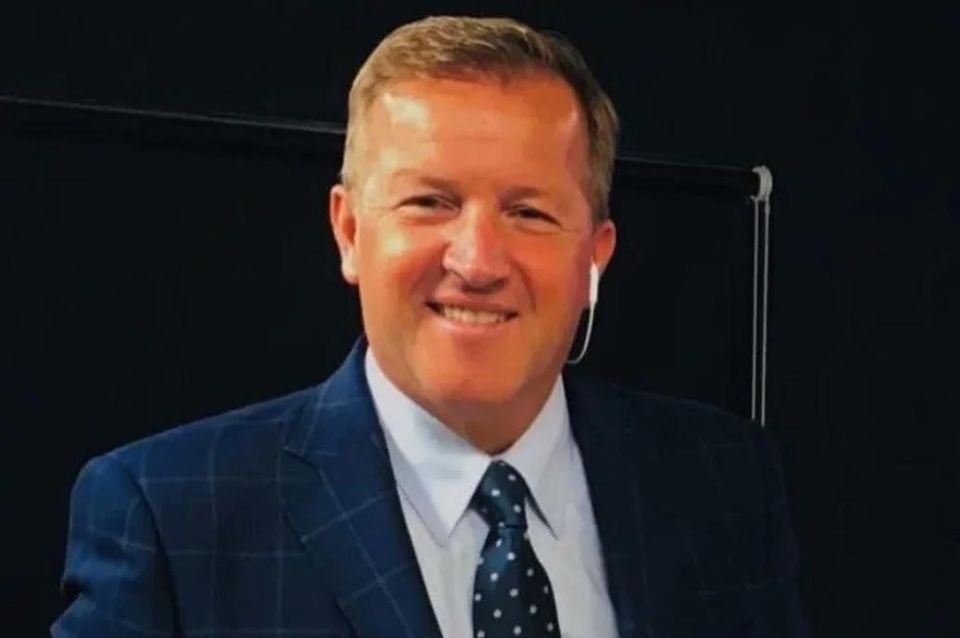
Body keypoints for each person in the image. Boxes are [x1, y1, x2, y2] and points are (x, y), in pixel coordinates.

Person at [52, 15, 809, 638]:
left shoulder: (721, 484)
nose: (477, 261)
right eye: (429, 203)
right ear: (350, 232)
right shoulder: (174, 518)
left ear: (594, 256)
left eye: (528, 212)